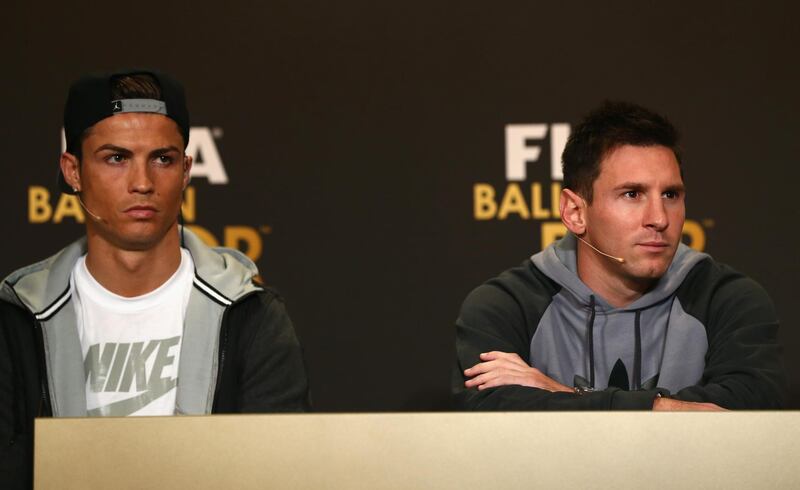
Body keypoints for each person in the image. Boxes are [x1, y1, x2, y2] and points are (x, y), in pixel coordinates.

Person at [0, 70, 310, 488]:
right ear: (73, 171)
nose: (142, 183)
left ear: (185, 171)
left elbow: (284, 477)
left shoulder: (252, 315)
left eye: (162, 159)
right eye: (116, 158)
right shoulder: (14, 320)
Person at [453, 101, 785, 411]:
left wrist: (557, 392)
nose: (659, 217)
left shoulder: (728, 300)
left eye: (671, 194)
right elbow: (491, 417)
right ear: (575, 212)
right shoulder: (505, 306)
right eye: (632, 194)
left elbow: (746, 417)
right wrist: (671, 409)